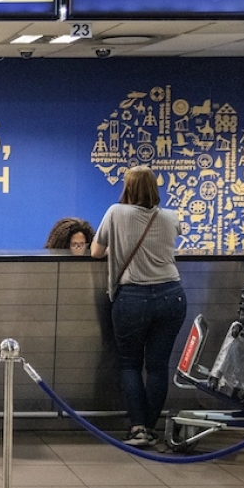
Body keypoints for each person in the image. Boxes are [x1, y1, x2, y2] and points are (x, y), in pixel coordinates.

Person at [91, 166, 186, 447]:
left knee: (130, 364)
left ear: (127, 188)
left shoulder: (116, 212)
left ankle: (138, 428)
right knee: (157, 366)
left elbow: (96, 252)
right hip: (172, 295)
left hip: (132, 297)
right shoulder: (170, 217)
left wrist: (120, 246)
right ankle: (152, 427)